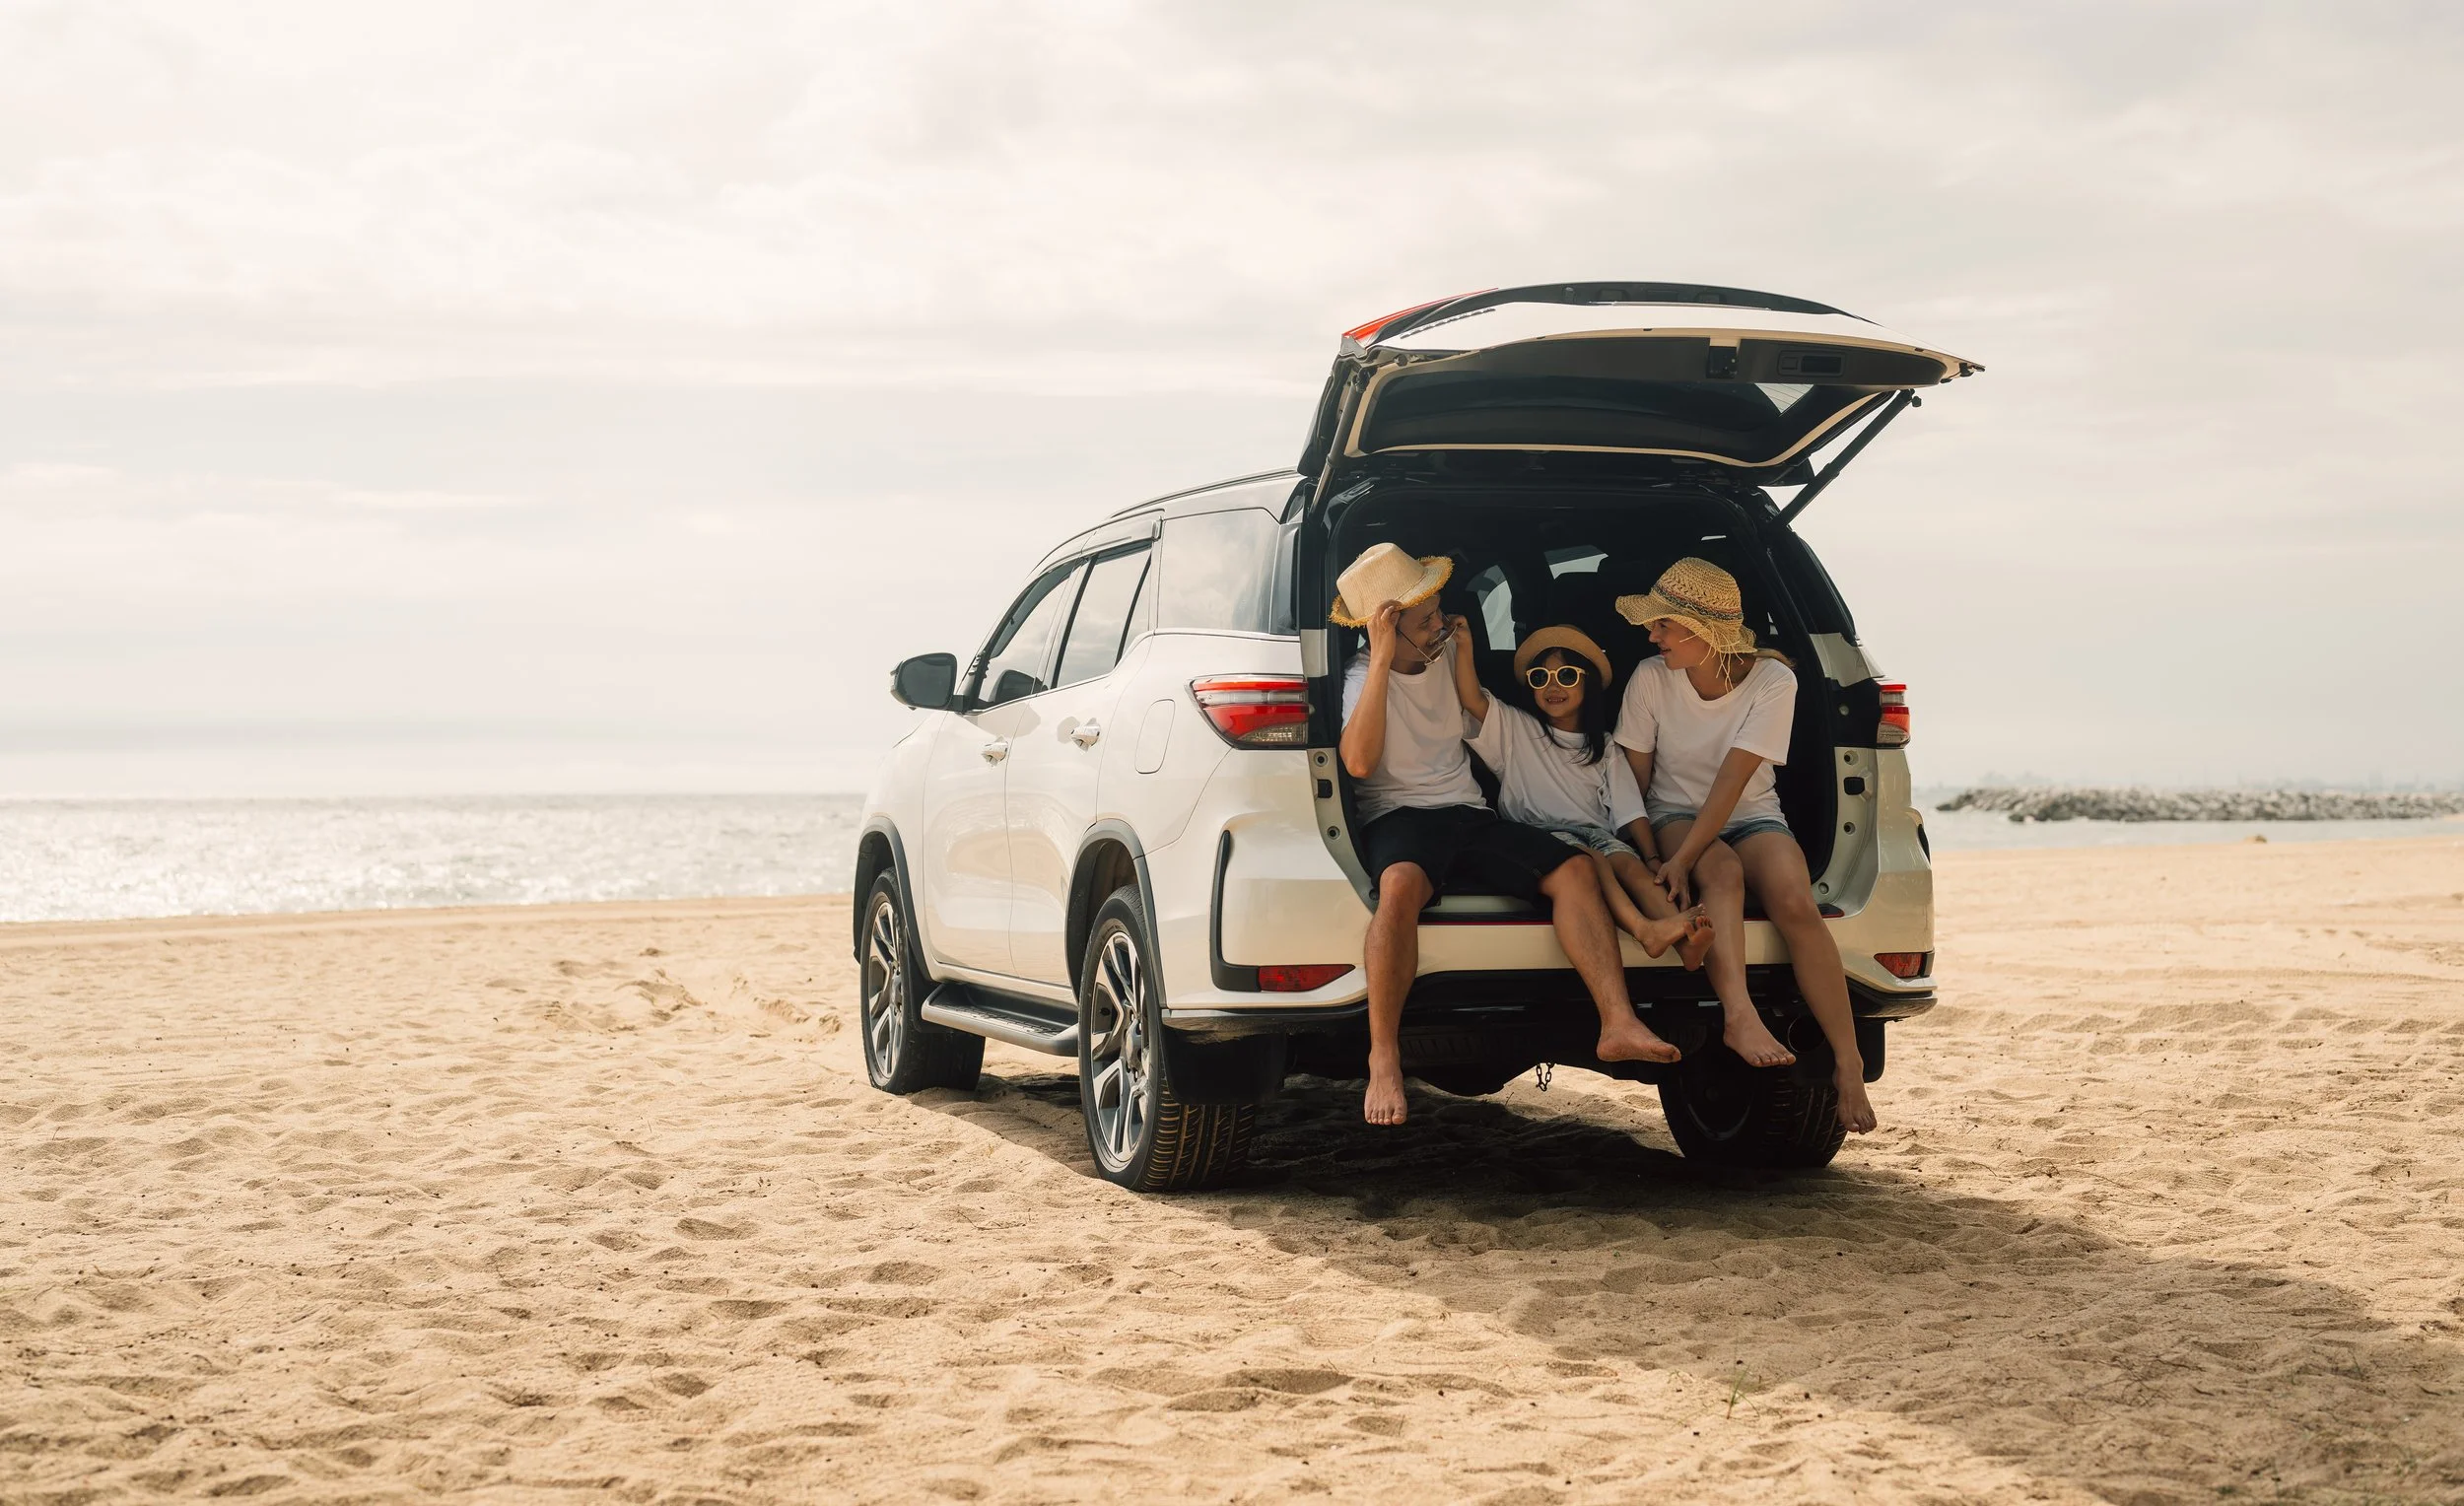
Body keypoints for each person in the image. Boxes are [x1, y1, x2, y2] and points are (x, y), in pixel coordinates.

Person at [1333, 543, 1679, 1127]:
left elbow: (1476, 712)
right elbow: (1360, 763)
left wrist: (1450, 649)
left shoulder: (1444, 656)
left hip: (1468, 811)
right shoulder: (1361, 677)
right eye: (1426, 620)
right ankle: (1385, 1058)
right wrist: (1383, 657)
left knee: (1573, 869)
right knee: (1398, 891)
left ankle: (1617, 1022)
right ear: (1387, 627)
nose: (1441, 624)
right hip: (1400, 817)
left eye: (1438, 610)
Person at [1611, 557, 1879, 1135]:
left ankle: (1848, 1061)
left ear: (1703, 634)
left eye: (1662, 625)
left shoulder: (1773, 681)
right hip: (1673, 813)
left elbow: (1735, 780)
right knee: (1724, 873)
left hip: (1751, 811)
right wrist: (1647, 851)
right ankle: (1739, 1016)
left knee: (1795, 902)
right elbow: (1632, 774)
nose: (1650, 635)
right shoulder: (1650, 678)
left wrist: (1682, 861)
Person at [1445, 620, 1712, 967]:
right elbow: (1471, 697)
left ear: (1588, 682)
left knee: (1633, 870)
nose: (1552, 686)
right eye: (1540, 677)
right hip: (1542, 837)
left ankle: (1687, 946)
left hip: (1597, 835)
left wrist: (1651, 859)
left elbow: (1630, 810)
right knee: (1593, 861)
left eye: (1566, 676)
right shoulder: (1514, 729)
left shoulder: (1605, 746)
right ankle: (1645, 931)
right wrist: (1464, 646)